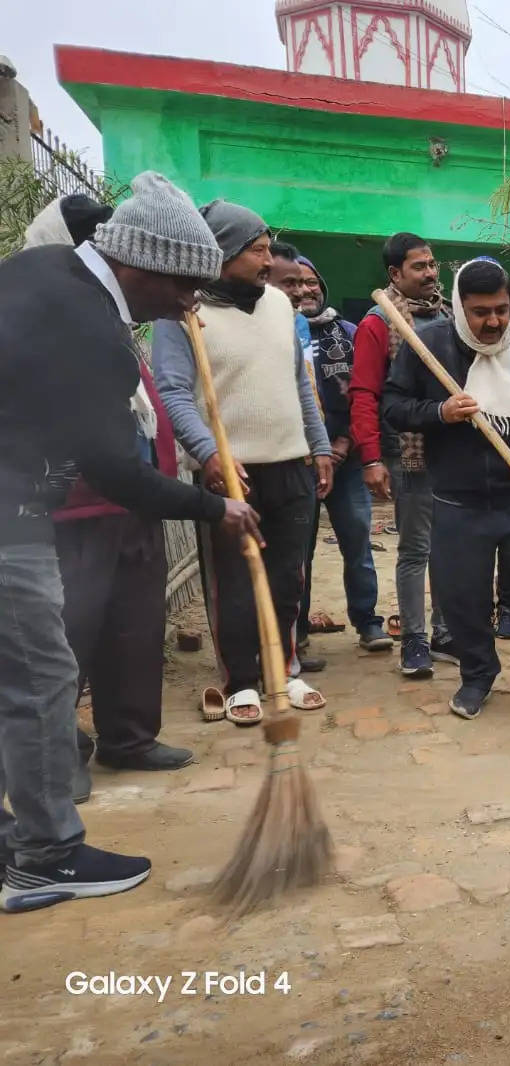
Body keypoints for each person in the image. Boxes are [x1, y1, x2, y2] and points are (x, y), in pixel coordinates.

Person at [0, 171, 261, 912]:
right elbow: (117, 471)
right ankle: (45, 858)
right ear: (142, 268)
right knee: (41, 679)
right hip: (9, 516)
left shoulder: (38, 270)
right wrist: (218, 513)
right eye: (184, 288)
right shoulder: (95, 334)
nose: (188, 305)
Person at [154, 200, 333, 725]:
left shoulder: (280, 306)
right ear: (224, 253)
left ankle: (286, 668)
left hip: (290, 464)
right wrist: (208, 452)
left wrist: (318, 445)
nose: (269, 261)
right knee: (232, 581)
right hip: (230, 473)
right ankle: (241, 681)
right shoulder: (184, 313)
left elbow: (299, 384)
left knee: (287, 578)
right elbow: (172, 392)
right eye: (257, 251)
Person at [38, 195, 197, 785]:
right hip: (75, 507)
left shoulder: (111, 313)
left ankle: (128, 737)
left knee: (134, 625)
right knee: (66, 633)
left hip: (135, 498)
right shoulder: (52, 308)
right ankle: (55, 758)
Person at [382, 258, 510, 719]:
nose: (493, 321)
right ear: (459, 306)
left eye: (500, 309)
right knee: (462, 595)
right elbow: (392, 404)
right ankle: (477, 674)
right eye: (480, 311)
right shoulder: (427, 345)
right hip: (456, 501)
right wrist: (440, 413)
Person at [268, 243, 391, 655]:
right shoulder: (272, 332)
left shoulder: (349, 334)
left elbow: (366, 395)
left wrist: (344, 444)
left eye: (311, 281)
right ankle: (295, 631)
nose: (306, 290)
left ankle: (368, 622)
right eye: (295, 282)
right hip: (294, 460)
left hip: (348, 460)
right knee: (297, 551)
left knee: (356, 540)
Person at [350, 233, 454, 677]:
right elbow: (364, 393)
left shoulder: (450, 316)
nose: (430, 273)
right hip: (407, 453)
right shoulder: (379, 323)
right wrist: (371, 458)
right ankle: (414, 639)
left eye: (432, 264)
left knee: (452, 546)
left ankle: (446, 632)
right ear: (395, 274)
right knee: (416, 549)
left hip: (453, 449)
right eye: (419, 267)